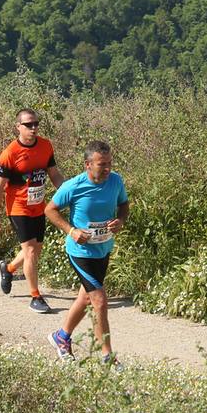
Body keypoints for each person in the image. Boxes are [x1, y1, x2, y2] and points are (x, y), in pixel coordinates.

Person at [45, 140, 129, 367]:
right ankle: (107, 358)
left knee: (85, 297)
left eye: (110, 163)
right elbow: (50, 210)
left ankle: (61, 337)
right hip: (80, 252)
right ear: (87, 164)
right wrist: (71, 231)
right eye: (102, 164)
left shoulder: (116, 181)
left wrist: (120, 220)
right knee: (99, 301)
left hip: (103, 249)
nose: (107, 168)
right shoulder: (74, 186)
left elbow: (124, 205)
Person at [0, 108, 62, 313]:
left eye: (36, 123)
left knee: (35, 250)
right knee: (30, 250)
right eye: (28, 124)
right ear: (18, 127)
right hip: (18, 207)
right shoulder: (10, 154)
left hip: (39, 206)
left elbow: (54, 174)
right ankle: (35, 297)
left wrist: (67, 195)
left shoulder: (46, 146)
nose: (33, 128)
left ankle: (8, 269)